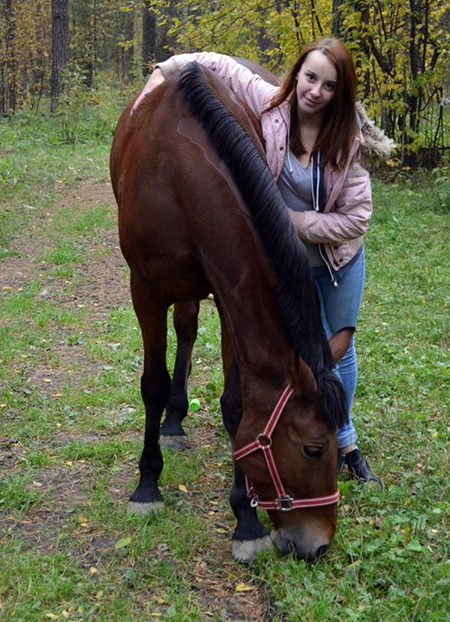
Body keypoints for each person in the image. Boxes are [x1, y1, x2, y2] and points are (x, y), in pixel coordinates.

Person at [132, 38, 394, 485]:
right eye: (310, 78)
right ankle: (299, 424)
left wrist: (291, 223)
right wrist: (164, 68)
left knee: (339, 347)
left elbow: (357, 217)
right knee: (297, 348)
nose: (315, 91)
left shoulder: (347, 137)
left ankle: (343, 438)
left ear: (340, 92)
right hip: (283, 260)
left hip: (338, 257)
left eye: (329, 86)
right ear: (297, 76)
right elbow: (218, 63)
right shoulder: (272, 106)